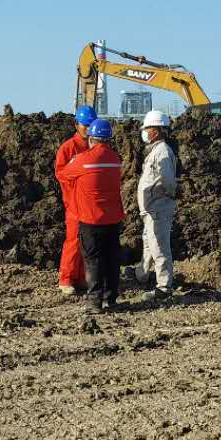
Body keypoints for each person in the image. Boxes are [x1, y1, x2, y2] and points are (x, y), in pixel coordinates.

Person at [62, 118, 124, 311]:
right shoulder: (116, 159)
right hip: (113, 218)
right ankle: (110, 298)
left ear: (91, 138)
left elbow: (63, 174)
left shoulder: (83, 160)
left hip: (91, 219)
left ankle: (95, 301)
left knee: (94, 259)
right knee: (112, 258)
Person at [135, 110, 178, 300]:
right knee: (148, 242)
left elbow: (168, 181)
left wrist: (165, 195)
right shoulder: (155, 150)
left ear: (157, 130)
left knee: (159, 246)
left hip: (158, 207)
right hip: (151, 208)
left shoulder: (162, 153)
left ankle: (163, 287)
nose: (145, 131)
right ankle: (142, 274)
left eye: (148, 128)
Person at [53, 105, 96, 295]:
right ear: (76, 124)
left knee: (88, 242)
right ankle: (66, 279)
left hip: (90, 203)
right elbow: (61, 173)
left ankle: (81, 278)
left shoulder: (95, 146)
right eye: (85, 125)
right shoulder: (68, 148)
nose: (87, 128)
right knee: (73, 240)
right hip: (74, 202)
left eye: (90, 125)